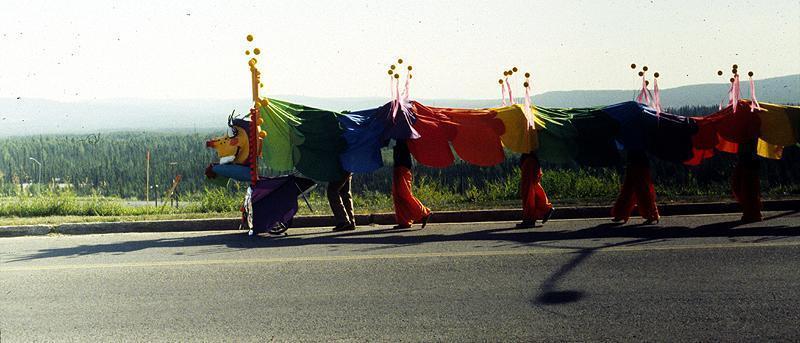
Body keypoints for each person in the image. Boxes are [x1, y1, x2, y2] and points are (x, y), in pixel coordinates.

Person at [611, 150, 659, 224]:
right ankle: (621, 214)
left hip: (639, 162)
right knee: (630, 188)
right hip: (634, 161)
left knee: (641, 189)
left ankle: (651, 214)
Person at [392, 140, 432, 229]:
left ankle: (424, 212)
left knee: (403, 193)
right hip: (400, 165)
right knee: (398, 194)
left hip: (402, 166)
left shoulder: (403, 132)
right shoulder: (399, 133)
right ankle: (404, 221)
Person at [516, 152, 554, 228]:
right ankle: (545, 209)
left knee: (528, 191)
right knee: (534, 187)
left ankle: (529, 218)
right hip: (532, 160)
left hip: (529, 161)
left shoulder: (527, 143)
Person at [731, 139, 762, 223]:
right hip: (745, 158)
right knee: (745, 186)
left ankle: (752, 213)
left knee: (748, 187)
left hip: (748, 159)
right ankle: (752, 213)